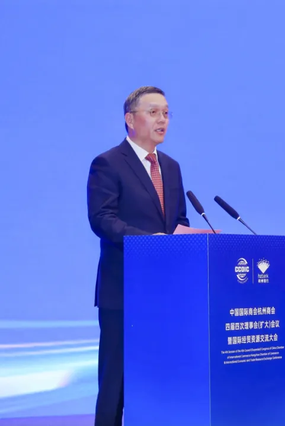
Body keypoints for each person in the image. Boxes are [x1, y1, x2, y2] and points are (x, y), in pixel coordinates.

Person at [87, 86, 189, 426]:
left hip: (164, 292)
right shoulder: (108, 163)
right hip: (124, 291)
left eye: (166, 113)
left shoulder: (171, 167)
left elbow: (178, 220)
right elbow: (102, 219)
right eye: (153, 112)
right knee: (115, 383)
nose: (163, 120)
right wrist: (150, 242)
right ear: (130, 120)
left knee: (159, 379)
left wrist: (187, 238)